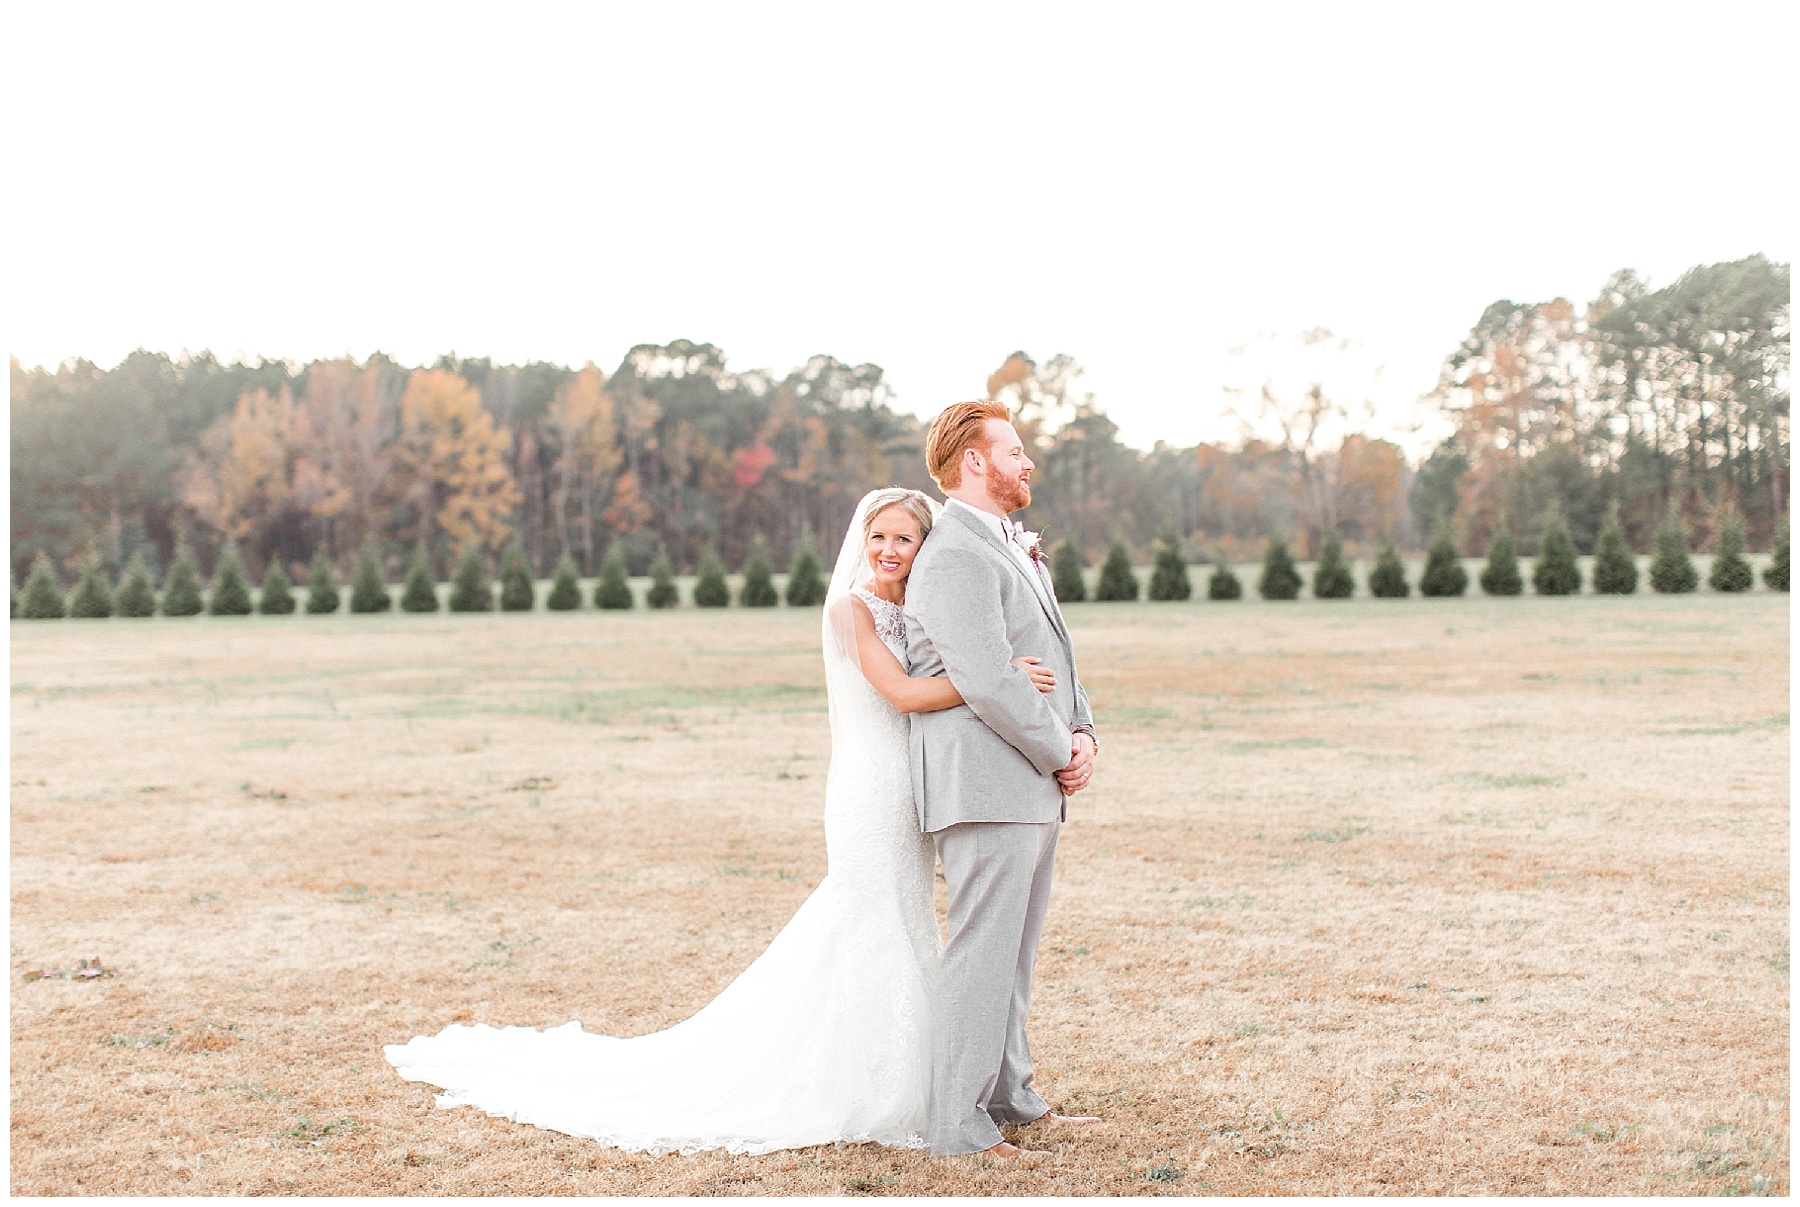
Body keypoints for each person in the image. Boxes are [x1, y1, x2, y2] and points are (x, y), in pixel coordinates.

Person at [383, 485, 1056, 1155]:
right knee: (869, 921)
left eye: (903, 539)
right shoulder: (852, 610)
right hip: (870, 789)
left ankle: (924, 1084)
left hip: (912, 787)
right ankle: (868, 1087)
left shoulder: (919, 604)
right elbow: (905, 692)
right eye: (878, 536)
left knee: (905, 920)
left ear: (923, 546)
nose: (887, 549)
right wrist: (999, 679)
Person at [904, 400, 1101, 1157]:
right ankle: (956, 1122)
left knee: (1013, 952)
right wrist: (1058, 748)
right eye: (1014, 450)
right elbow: (988, 677)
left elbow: (1054, 652)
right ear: (975, 462)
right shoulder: (954, 552)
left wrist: (1082, 733)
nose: (1026, 463)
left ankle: (1012, 1095)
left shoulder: (1008, 547)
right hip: (984, 782)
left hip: (1029, 778)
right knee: (983, 950)